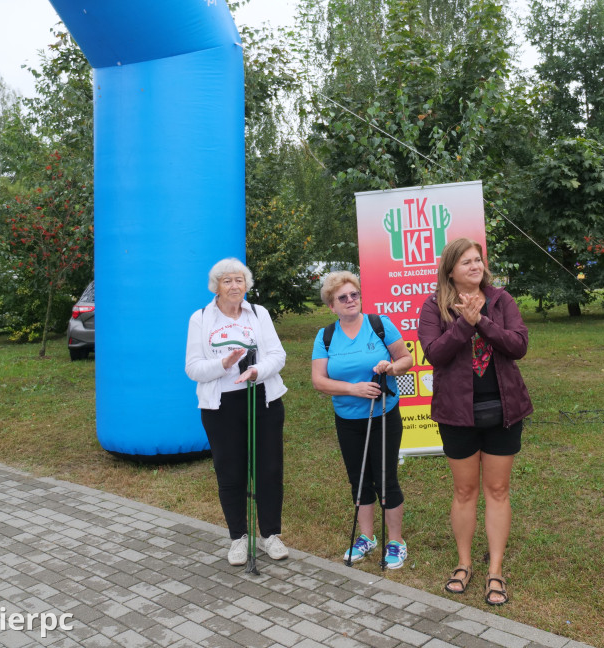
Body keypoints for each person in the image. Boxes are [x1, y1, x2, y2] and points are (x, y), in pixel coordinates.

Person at [417, 237, 533, 606]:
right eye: (465, 261)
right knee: (464, 491)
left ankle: (495, 570)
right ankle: (464, 564)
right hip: (457, 414)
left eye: (478, 260)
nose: (474, 266)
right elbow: (435, 354)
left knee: (498, 491)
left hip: (503, 411)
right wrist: (464, 325)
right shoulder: (434, 306)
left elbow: (518, 346)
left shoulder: (501, 301)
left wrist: (480, 320)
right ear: (450, 269)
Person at [185, 258, 290, 566]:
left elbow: (277, 354)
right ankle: (238, 538)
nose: (234, 286)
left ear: (247, 285)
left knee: (269, 469)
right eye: (227, 281)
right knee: (230, 473)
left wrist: (257, 371)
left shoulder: (259, 313)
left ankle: (270, 535)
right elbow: (192, 368)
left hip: (263, 398)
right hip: (221, 406)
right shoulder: (201, 318)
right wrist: (224, 364)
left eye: (239, 280)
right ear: (216, 286)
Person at [311, 271, 415, 569]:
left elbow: (406, 359)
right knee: (358, 481)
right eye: (342, 298)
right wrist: (352, 389)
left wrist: (391, 367)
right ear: (332, 306)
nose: (350, 301)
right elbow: (318, 381)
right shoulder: (326, 336)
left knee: (386, 479)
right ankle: (367, 537)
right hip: (347, 419)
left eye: (354, 294)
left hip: (383, 415)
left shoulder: (379, 324)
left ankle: (395, 541)